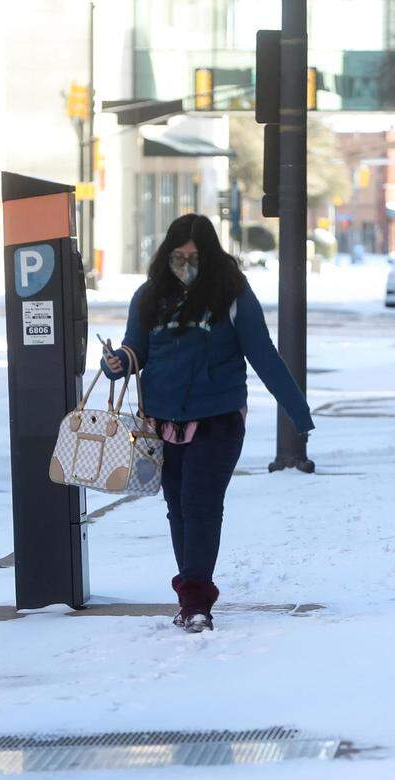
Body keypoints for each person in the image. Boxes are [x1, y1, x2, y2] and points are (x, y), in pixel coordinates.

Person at [102, 214, 314, 633]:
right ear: (167, 255)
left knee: (200, 506)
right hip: (160, 420)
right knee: (177, 509)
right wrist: (117, 363)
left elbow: (263, 353)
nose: (185, 265)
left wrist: (296, 409)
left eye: (195, 257)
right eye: (178, 256)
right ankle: (191, 594)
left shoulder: (231, 295)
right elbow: (136, 349)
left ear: (212, 256)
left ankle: (196, 600)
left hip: (217, 420)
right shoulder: (150, 295)